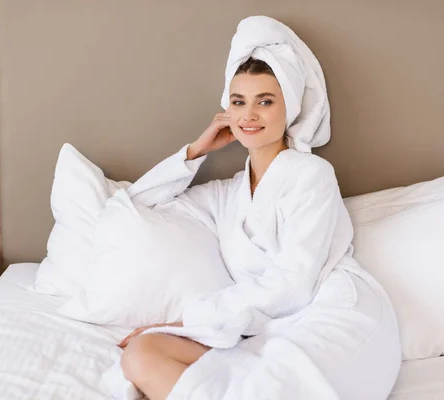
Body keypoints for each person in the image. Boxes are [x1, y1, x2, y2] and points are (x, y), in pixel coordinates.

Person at [116, 16, 401, 400]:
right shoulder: (227, 195)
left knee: (276, 389)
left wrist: (191, 320)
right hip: (262, 330)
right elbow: (136, 205)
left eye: (265, 102)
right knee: (141, 354)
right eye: (238, 102)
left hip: (330, 313)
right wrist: (195, 152)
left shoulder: (312, 175)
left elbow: (295, 284)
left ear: (290, 108)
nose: (248, 115)